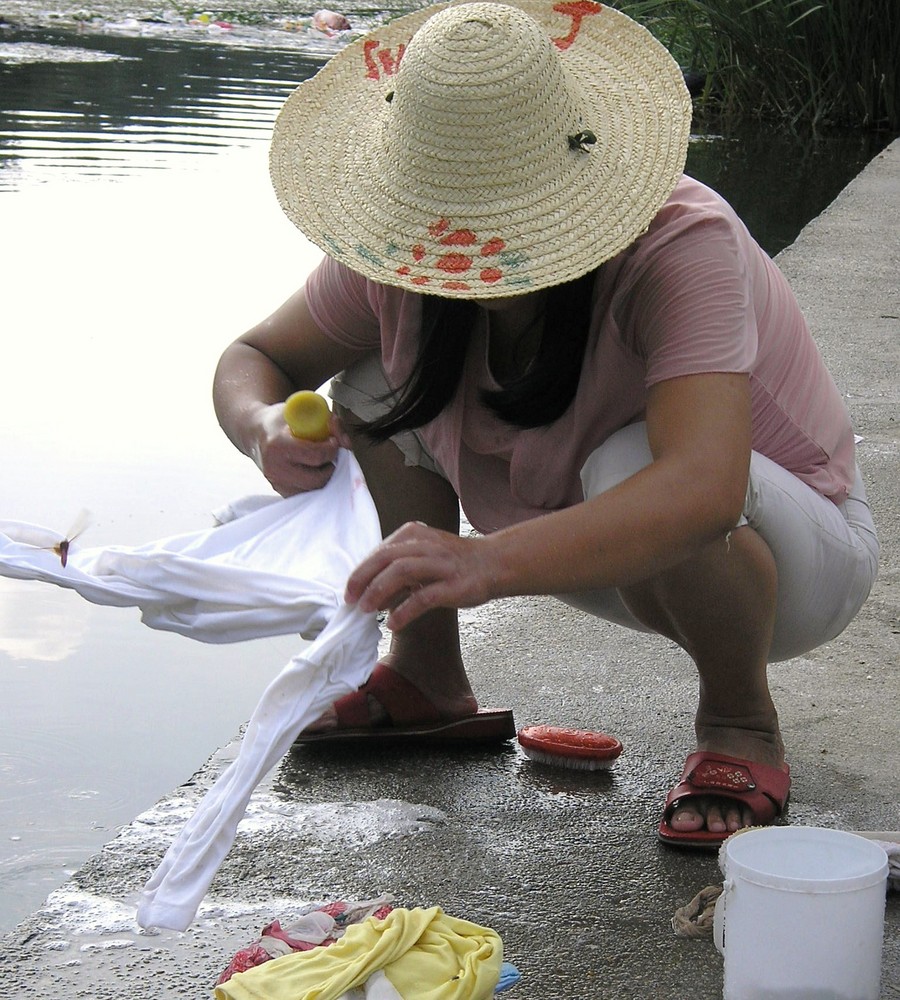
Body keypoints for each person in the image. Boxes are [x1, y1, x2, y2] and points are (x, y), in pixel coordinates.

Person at [212, 0, 879, 848]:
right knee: (377, 377)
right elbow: (254, 356)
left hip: (788, 563)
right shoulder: (399, 254)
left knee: (637, 459)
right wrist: (264, 423)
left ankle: (739, 723)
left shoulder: (679, 246)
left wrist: (483, 562)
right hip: (579, 529)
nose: (457, 233)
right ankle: (427, 674)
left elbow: (706, 489)